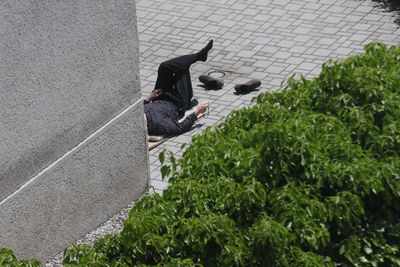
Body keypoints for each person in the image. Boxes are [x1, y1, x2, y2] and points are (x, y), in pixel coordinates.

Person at [143, 40, 212, 136]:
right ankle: (198, 56)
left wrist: (149, 98)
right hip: (177, 103)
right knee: (181, 69)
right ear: (145, 125)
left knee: (164, 67)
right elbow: (180, 128)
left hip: (159, 96)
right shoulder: (158, 125)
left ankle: (199, 56)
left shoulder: (136, 115)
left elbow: (139, 106)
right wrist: (197, 111)